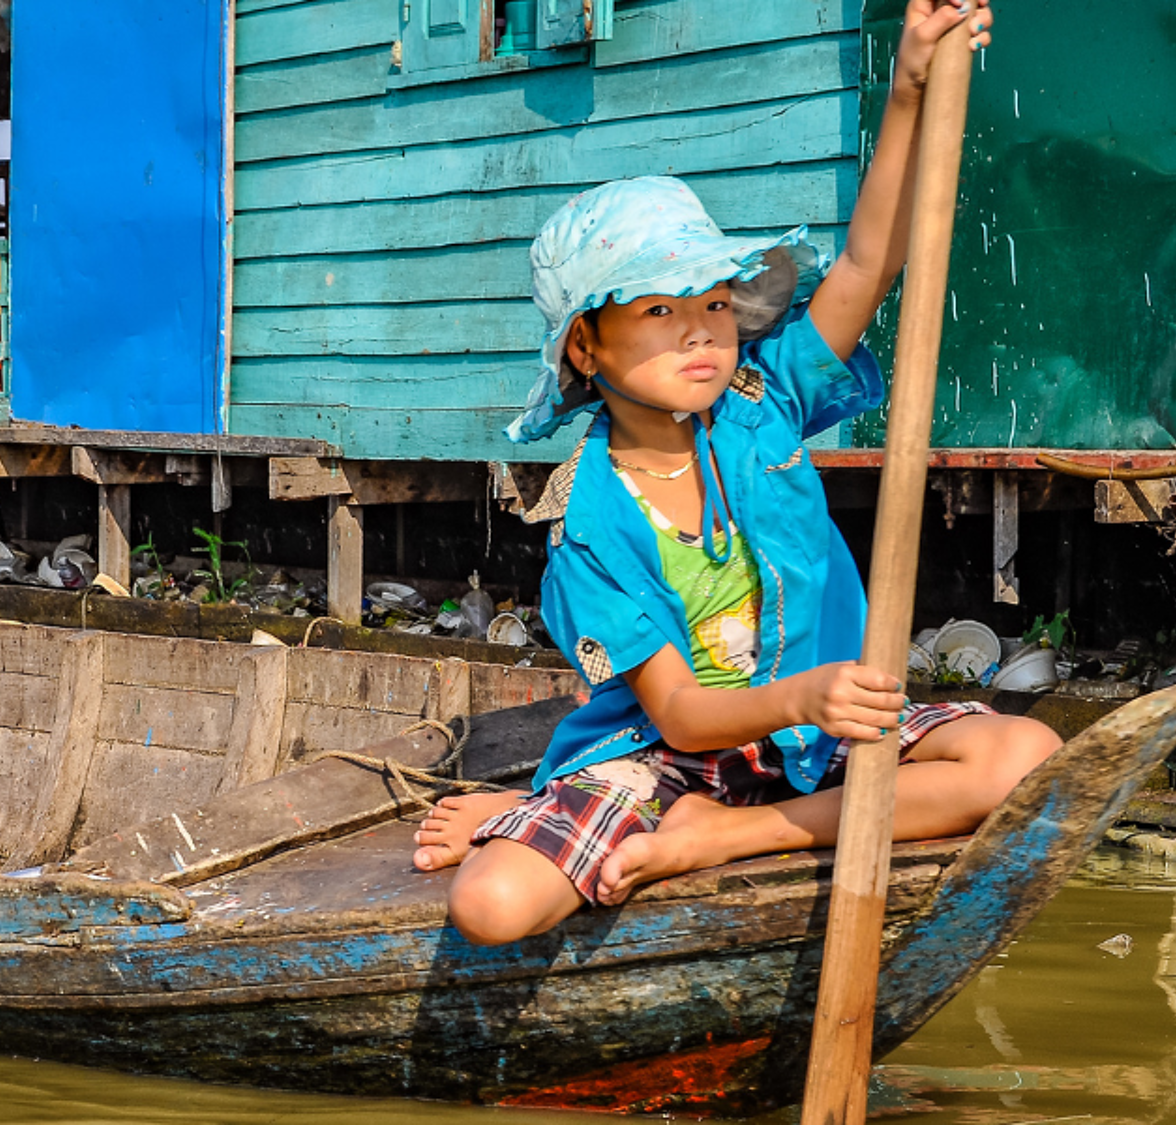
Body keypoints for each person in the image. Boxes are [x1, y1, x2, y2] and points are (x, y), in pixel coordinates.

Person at [411, 0, 1060, 945]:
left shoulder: (764, 399)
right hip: (672, 753)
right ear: (585, 347)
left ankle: (729, 835)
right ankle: (537, 807)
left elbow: (868, 264)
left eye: (714, 303)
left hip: (808, 742)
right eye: (659, 310)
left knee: (1028, 753)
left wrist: (908, 90)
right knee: (490, 905)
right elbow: (679, 713)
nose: (702, 331)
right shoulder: (590, 526)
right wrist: (807, 693)